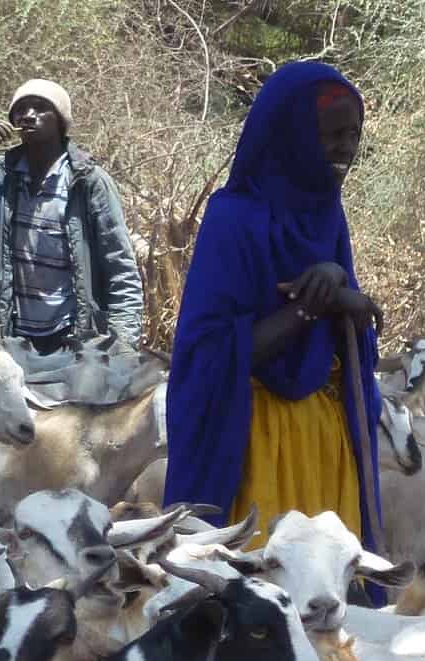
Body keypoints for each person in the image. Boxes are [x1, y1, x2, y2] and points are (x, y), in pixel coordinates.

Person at [163, 62, 385, 547]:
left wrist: (342, 293)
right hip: (253, 441)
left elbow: (355, 329)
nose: (345, 148)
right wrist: (316, 305)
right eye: (330, 134)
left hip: (327, 441)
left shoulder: (327, 215)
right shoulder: (233, 219)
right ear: (291, 135)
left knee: (327, 601)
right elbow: (210, 354)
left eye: (353, 134)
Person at [0, 79, 145, 351]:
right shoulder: (6, 179)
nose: (28, 115)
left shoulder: (87, 181)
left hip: (76, 337)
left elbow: (120, 265)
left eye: (41, 108)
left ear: (60, 121)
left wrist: (123, 342)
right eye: (21, 109)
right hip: (16, 337)